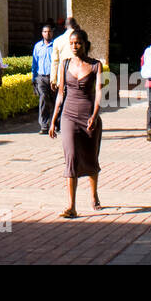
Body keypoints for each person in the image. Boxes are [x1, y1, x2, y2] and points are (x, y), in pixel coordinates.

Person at [50, 28, 102, 218]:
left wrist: (95, 115)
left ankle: (94, 193)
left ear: (85, 44)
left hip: (89, 116)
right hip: (69, 117)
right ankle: (71, 207)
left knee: (90, 158)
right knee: (71, 157)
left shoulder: (96, 65)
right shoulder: (64, 65)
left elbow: (98, 93)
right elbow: (61, 93)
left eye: (78, 43)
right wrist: (54, 119)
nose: (74, 46)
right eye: (72, 43)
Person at [31, 24, 57, 133]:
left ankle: (57, 123)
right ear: (42, 33)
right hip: (41, 77)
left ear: (52, 33)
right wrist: (34, 78)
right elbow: (34, 63)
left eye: (49, 31)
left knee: (56, 101)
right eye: (45, 32)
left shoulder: (56, 45)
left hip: (53, 78)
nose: (47, 33)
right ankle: (44, 125)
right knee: (43, 99)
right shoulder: (37, 46)